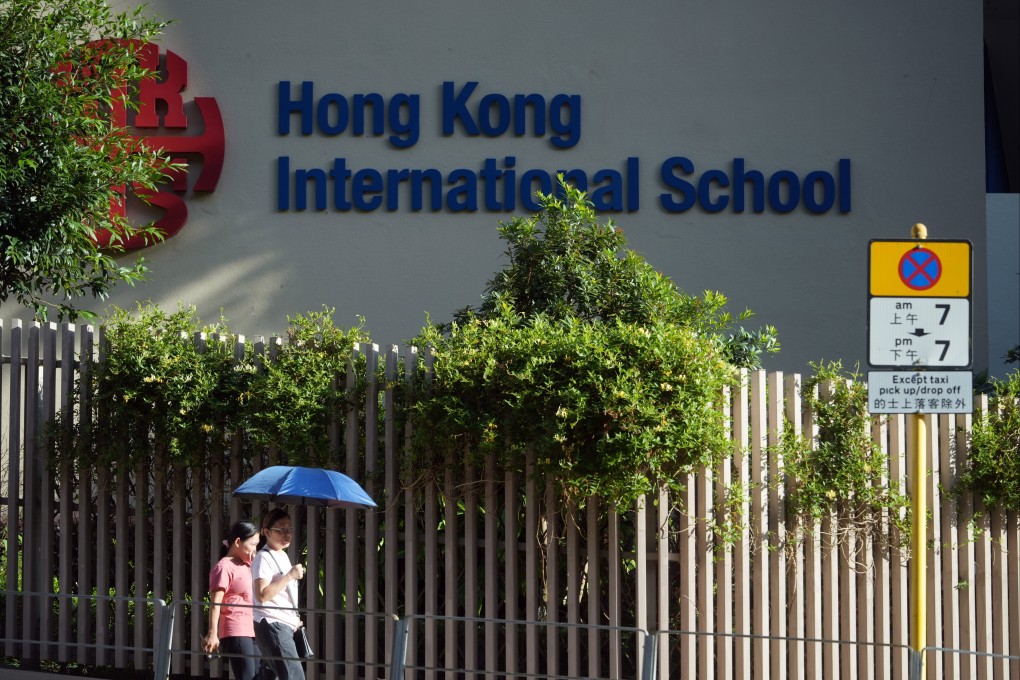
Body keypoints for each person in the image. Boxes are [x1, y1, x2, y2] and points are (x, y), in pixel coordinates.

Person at [202, 520, 261, 680]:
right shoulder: (223, 567)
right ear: (237, 542)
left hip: (253, 629)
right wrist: (213, 633)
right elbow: (215, 603)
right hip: (236, 629)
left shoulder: (247, 565)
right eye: (253, 544)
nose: (255, 550)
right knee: (247, 676)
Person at [252, 508, 307, 680]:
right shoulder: (263, 558)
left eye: (289, 529)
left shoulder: (282, 555)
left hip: (284, 624)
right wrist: (290, 575)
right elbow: (262, 595)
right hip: (272, 623)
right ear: (267, 532)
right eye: (282, 530)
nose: (287, 534)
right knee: (294, 676)